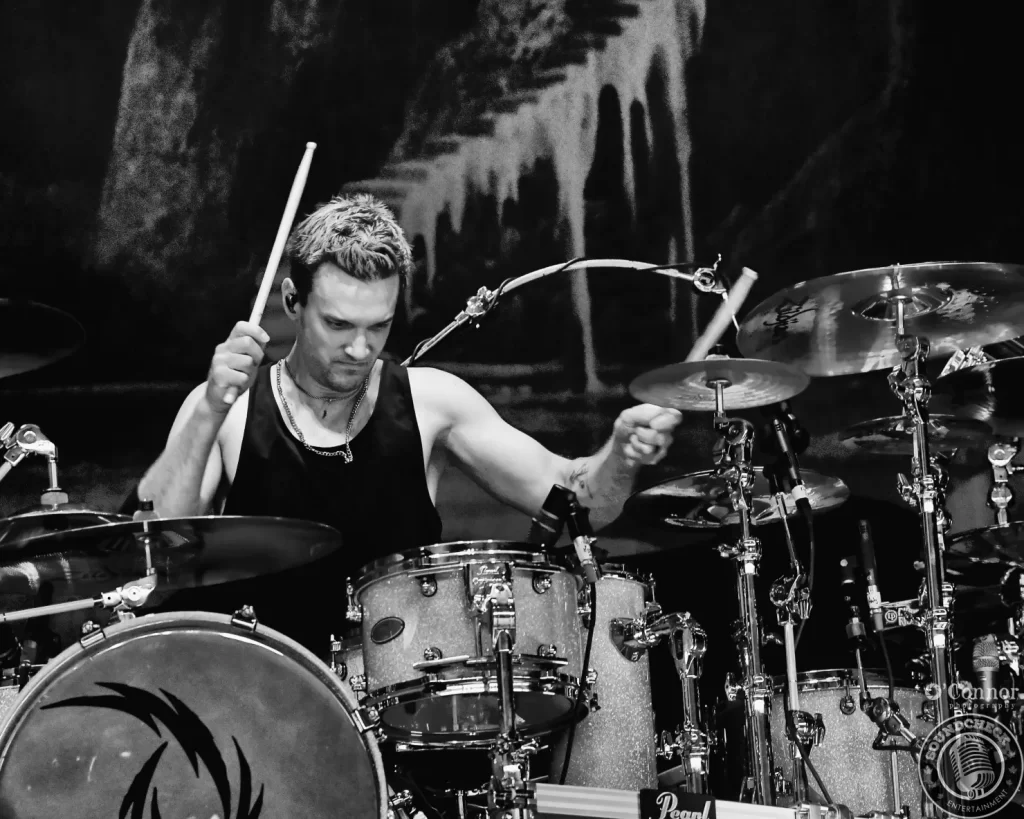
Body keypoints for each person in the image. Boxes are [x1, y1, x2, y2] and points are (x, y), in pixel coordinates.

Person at [135, 193, 682, 651]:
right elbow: (152, 557)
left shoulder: (433, 402)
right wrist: (209, 409)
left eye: (379, 326)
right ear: (292, 301)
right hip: (260, 697)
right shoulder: (227, 409)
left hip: (399, 712)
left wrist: (619, 454)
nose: (359, 348)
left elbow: (580, 506)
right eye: (338, 324)